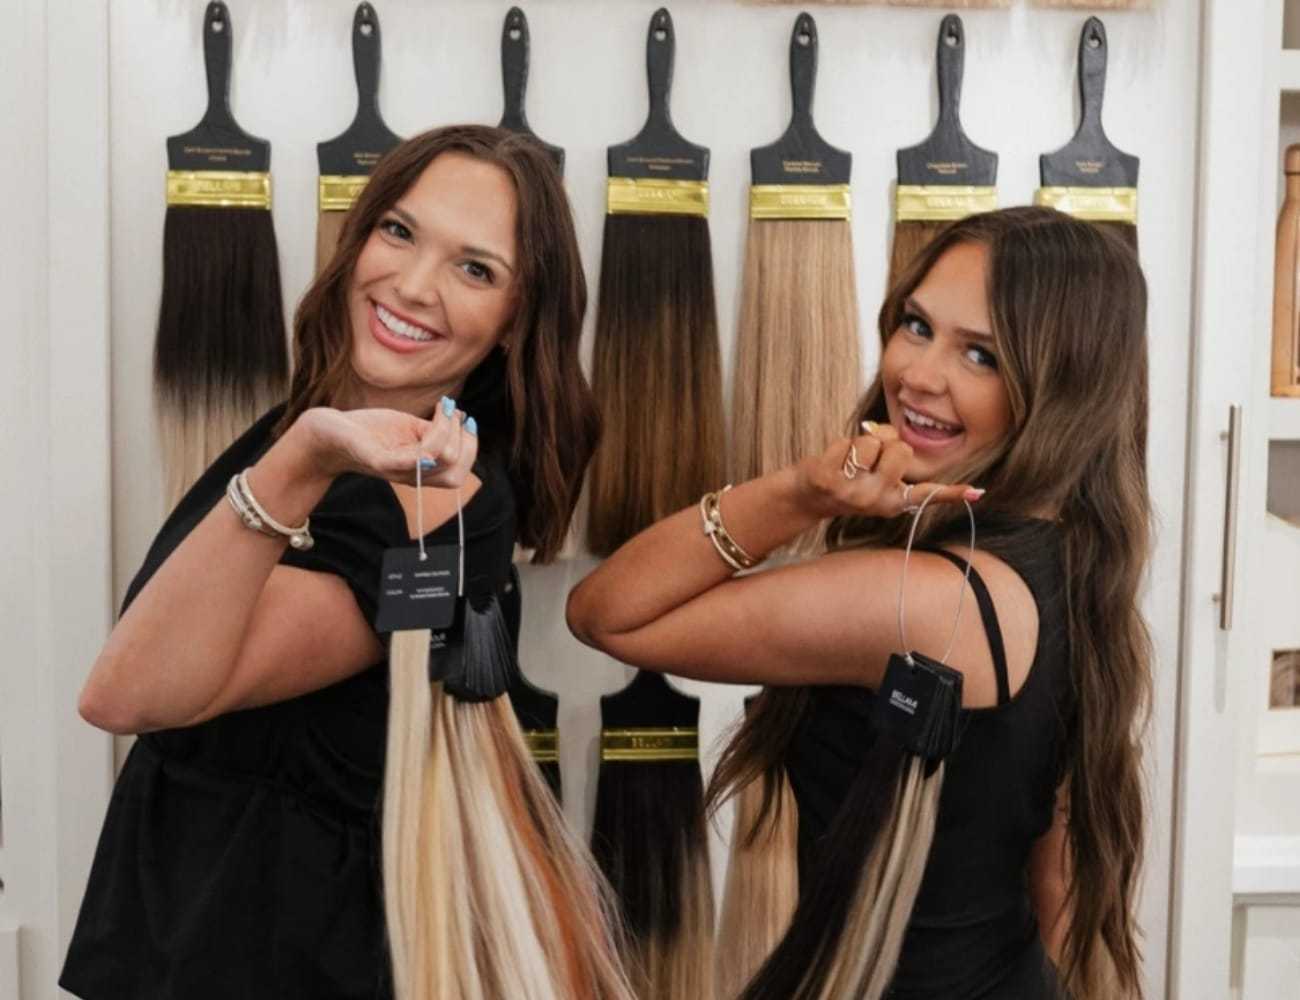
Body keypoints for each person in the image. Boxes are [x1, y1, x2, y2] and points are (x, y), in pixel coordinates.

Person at [61, 125, 627, 1000]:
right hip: (178, 933)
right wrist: (306, 446)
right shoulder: (306, 425)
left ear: (517, 322)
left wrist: (300, 462)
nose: (411, 285)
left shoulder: (435, 506)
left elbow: (128, 693)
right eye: (399, 232)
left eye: (474, 269)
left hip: (272, 954)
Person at [568, 206, 1152, 1000]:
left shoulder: (922, 600)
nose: (917, 374)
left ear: (1061, 387)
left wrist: (799, 491)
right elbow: (1058, 866)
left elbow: (608, 612)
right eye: (917, 325)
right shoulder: (1071, 563)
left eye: (979, 353)